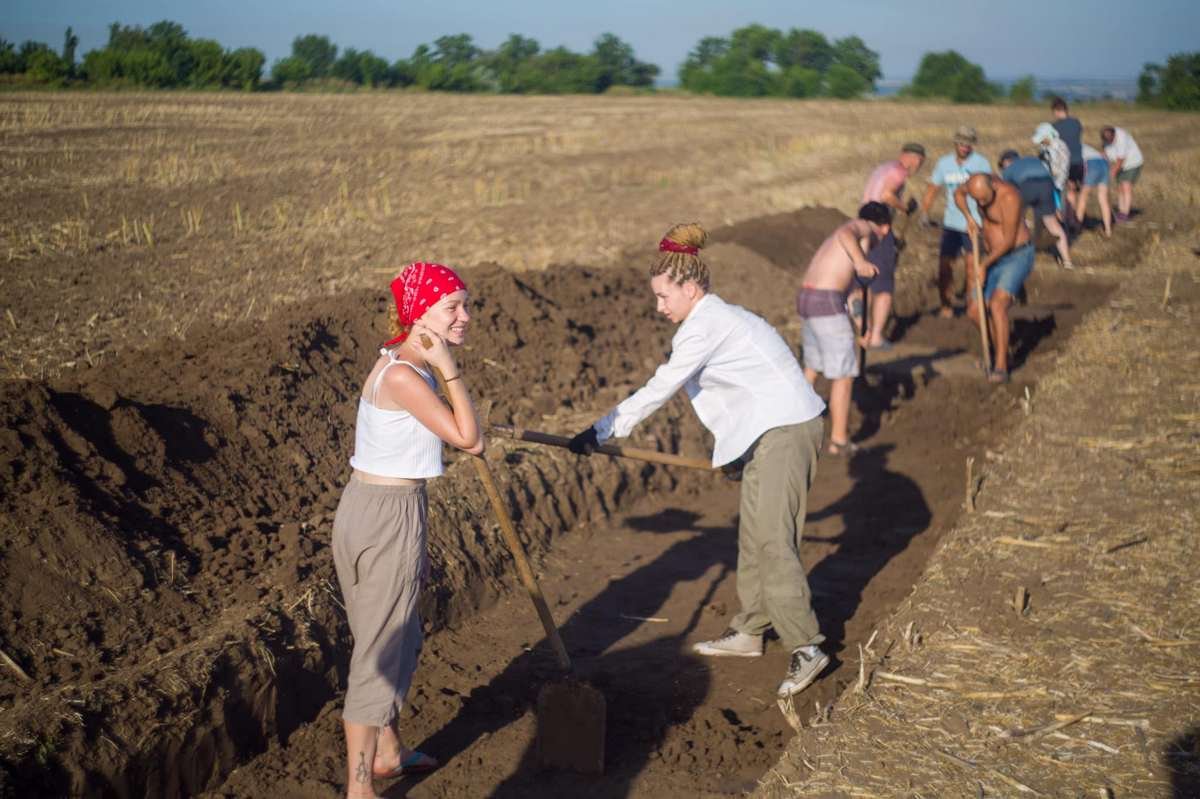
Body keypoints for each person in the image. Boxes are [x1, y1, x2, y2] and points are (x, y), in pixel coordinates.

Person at [566, 223, 831, 699]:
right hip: (768, 431)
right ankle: (751, 630)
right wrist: (737, 452)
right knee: (754, 536)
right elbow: (739, 394)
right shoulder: (711, 321)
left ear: (690, 289)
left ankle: (807, 645)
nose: (659, 306)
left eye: (664, 296)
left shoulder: (707, 325)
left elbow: (661, 387)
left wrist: (601, 430)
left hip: (787, 430)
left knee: (773, 540)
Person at [332, 262, 483, 799]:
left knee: (400, 636)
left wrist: (439, 367)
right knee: (379, 649)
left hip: (369, 507)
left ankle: (388, 750)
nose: (464, 316)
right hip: (388, 514)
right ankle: (359, 788)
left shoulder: (393, 363)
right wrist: (448, 367)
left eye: (467, 304)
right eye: (452, 307)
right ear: (420, 314)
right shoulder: (404, 374)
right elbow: (470, 440)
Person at [796, 203, 888, 454]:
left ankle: (792, 422)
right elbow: (846, 233)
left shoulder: (847, 248)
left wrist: (862, 328)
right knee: (845, 374)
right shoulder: (864, 228)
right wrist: (860, 262)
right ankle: (839, 441)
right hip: (825, 301)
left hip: (807, 298)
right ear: (885, 227)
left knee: (813, 366)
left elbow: (851, 293)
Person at [954, 175, 1034, 384]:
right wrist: (969, 217)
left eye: (984, 199)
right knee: (973, 311)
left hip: (1016, 255)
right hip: (992, 258)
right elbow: (958, 194)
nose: (980, 203)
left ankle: (1000, 367)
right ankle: (1001, 350)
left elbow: (1007, 241)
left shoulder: (1010, 197)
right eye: (976, 199)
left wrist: (983, 265)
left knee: (997, 305)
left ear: (994, 187)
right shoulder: (975, 186)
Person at [859, 142, 926, 348]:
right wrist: (905, 207)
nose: (918, 167)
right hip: (879, 229)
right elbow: (887, 195)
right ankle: (876, 337)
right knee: (884, 285)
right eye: (920, 162)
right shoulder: (899, 172)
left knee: (866, 281)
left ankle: (865, 331)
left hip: (862, 226)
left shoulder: (884, 168)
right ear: (913, 159)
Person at [920, 125, 992, 318]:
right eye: (961, 143)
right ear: (955, 143)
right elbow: (933, 189)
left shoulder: (981, 164)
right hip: (951, 223)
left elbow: (990, 192)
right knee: (944, 266)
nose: (965, 147)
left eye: (968, 144)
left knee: (972, 267)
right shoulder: (944, 164)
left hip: (974, 224)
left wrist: (987, 221)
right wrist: (924, 212)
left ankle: (971, 304)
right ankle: (946, 306)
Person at [998, 148, 1072, 269]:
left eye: (1002, 164)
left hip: (1027, 185)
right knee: (1052, 224)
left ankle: (1015, 253)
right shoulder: (1033, 159)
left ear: (1007, 161)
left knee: (1015, 220)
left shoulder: (1008, 170)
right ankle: (1067, 261)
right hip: (1047, 185)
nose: (1002, 167)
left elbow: (1007, 193)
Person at [1050, 97, 1085, 229]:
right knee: (1073, 191)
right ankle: (1073, 219)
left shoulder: (1054, 127)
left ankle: (1063, 219)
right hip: (1078, 161)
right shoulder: (1076, 122)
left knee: (1060, 191)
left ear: (1056, 110)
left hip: (1065, 162)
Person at [1101, 125, 1144, 223]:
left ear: (1114, 136)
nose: (1108, 143)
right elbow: (1105, 152)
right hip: (1120, 164)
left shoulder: (1121, 138)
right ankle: (1121, 211)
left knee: (1126, 186)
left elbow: (1120, 160)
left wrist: (1110, 174)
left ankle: (1125, 214)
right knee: (1120, 188)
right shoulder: (1107, 137)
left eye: (1110, 141)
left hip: (1132, 163)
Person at [1077, 142, 1113, 238]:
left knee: (1083, 197)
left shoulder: (1068, 147)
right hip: (1104, 164)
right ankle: (1108, 230)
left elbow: (1079, 165)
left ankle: (1077, 229)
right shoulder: (1083, 145)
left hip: (1092, 164)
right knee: (1103, 199)